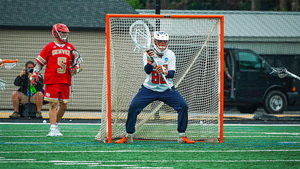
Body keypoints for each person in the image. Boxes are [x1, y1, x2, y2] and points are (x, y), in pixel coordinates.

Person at [115, 31, 195, 144]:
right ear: (154, 41)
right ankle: (128, 135)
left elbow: (172, 74)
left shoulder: (171, 54)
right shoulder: (148, 54)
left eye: (164, 41)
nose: (162, 44)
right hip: (149, 89)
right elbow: (147, 71)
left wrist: (164, 71)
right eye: (160, 41)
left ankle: (182, 136)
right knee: (133, 107)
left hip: (167, 89)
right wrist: (150, 62)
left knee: (183, 106)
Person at [31, 23, 81, 137]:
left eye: (65, 33)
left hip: (65, 80)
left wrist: (75, 69)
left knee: (64, 106)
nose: (64, 35)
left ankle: (56, 125)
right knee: (53, 104)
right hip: (52, 80)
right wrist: (35, 74)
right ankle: (52, 128)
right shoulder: (49, 47)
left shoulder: (70, 47)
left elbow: (76, 65)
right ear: (56, 33)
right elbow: (39, 63)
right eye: (62, 32)